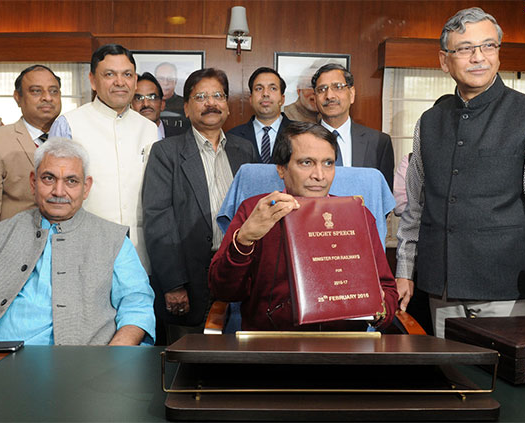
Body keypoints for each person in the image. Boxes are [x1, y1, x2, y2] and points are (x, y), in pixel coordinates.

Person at [396, 7, 525, 338]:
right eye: (465, 48)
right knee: (450, 370)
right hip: (442, 291)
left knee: (505, 373)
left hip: (510, 293)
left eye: (488, 46)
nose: (478, 57)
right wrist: (405, 269)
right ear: (444, 61)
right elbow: (416, 209)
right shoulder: (428, 122)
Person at [208, 121, 398, 331]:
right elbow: (223, 291)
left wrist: (379, 310)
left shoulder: (357, 214)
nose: (319, 176)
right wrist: (243, 240)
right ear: (281, 169)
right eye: (306, 163)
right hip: (271, 342)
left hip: (343, 343)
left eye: (328, 163)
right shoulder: (256, 211)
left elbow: (387, 291)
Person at [0, 138, 155, 345]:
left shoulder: (113, 239)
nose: (59, 191)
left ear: (86, 187)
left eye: (71, 181)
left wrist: (115, 354)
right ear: (33, 182)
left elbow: (137, 304)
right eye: (49, 178)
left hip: (85, 359)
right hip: (0, 354)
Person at [143, 68, 257, 343]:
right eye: (201, 97)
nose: (211, 103)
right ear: (186, 108)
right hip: (190, 282)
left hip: (239, 274)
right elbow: (158, 220)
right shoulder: (166, 153)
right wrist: (174, 284)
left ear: (227, 105)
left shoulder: (245, 150)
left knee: (241, 355)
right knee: (189, 357)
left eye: (218, 95)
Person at [49, 44, 158, 272]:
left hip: (140, 254)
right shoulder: (69, 124)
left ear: (135, 80)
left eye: (127, 74)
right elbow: (53, 195)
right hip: (82, 252)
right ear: (92, 80)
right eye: (109, 74)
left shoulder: (150, 129)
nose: (120, 82)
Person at [0, 65, 62, 230]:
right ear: (17, 97)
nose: (47, 97)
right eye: (36, 91)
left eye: (54, 91)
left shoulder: (73, 138)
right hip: (15, 240)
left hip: (69, 242)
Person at [312, 64, 395, 191]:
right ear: (315, 98)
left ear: (351, 94)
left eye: (338, 87)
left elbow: (383, 195)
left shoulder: (379, 142)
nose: (329, 96)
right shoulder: (301, 141)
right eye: (322, 89)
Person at [228, 67, 293, 163]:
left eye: (273, 88)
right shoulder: (232, 137)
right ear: (251, 99)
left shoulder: (301, 134)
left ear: (282, 99)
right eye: (259, 89)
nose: (265, 94)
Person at [131, 72, 189, 140]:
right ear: (130, 105)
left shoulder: (183, 136)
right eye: (139, 98)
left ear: (162, 104)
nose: (146, 104)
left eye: (152, 97)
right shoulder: (124, 137)